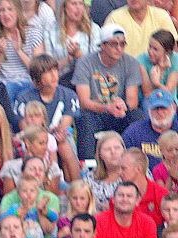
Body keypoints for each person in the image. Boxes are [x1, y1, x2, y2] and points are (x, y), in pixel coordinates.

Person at [73, 24, 145, 160]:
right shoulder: (85, 62)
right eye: (114, 44)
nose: (119, 48)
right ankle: (87, 165)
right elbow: (83, 101)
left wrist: (123, 106)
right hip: (95, 112)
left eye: (122, 44)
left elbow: (132, 101)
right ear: (103, 45)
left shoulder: (130, 63)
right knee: (84, 117)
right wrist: (107, 107)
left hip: (120, 112)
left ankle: (136, 161)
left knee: (137, 116)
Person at [96, 181, 160, 238]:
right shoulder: (98, 221)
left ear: (137, 201)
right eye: (120, 195)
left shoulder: (147, 223)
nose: (125, 199)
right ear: (113, 199)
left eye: (129, 196)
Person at [123, 88, 178, 168]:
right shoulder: (134, 132)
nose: (159, 112)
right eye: (155, 108)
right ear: (148, 109)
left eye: (163, 108)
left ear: (174, 108)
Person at [105, 0, 176, 57]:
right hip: (125, 70)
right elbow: (106, 50)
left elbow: (173, 48)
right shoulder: (115, 17)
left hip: (156, 69)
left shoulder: (161, 16)